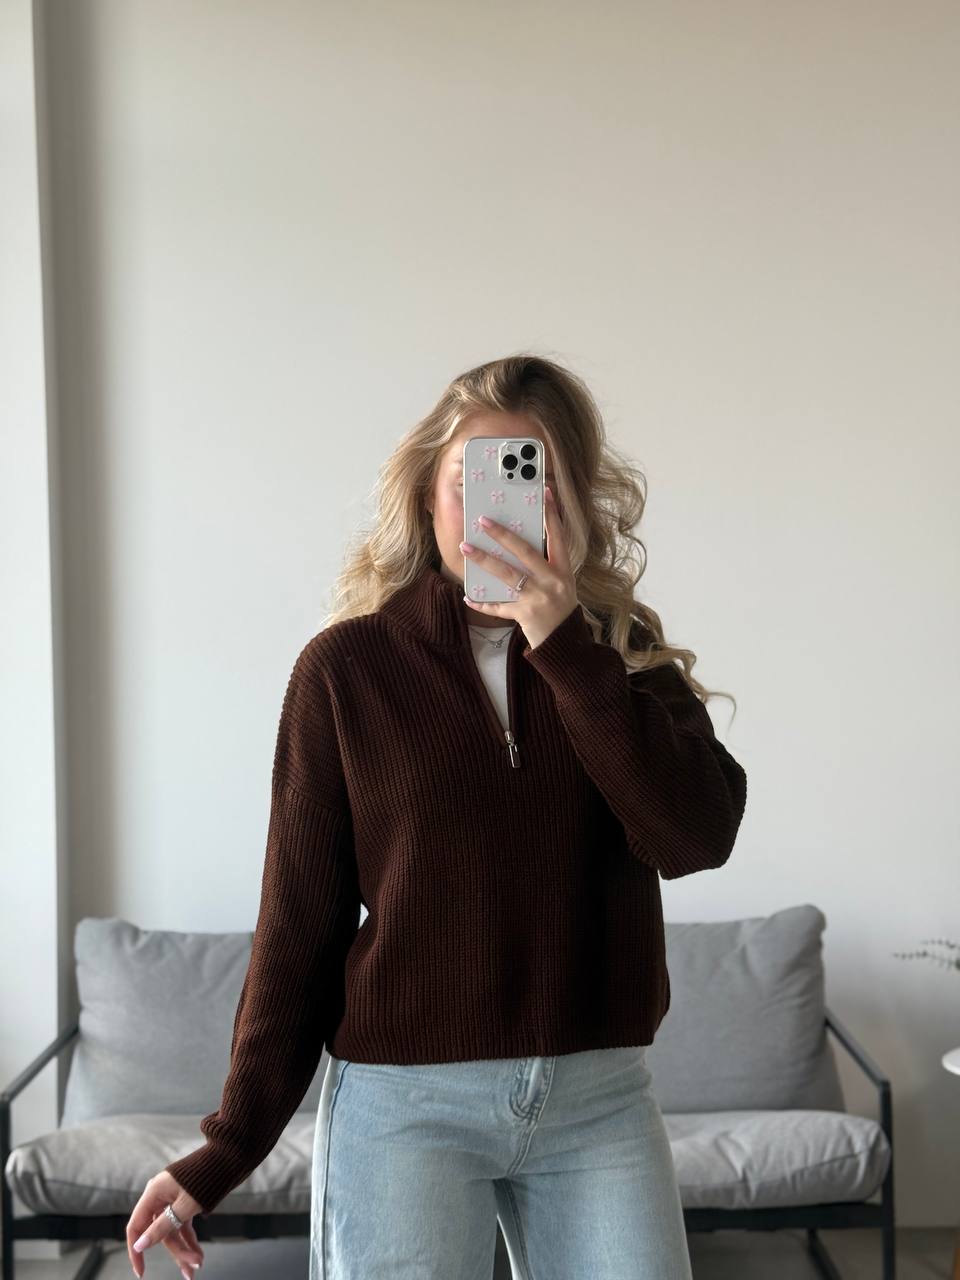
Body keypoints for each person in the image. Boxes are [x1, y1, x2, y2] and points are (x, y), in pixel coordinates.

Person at [125, 354, 748, 1279]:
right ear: (427, 498)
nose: (498, 511)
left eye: (532, 479)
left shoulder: (622, 659)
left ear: (573, 505)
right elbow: (299, 929)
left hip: (597, 1102)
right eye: (471, 481)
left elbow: (695, 836)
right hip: (405, 1110)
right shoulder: (345, 672)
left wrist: (566, 650)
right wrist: (225, 1148)